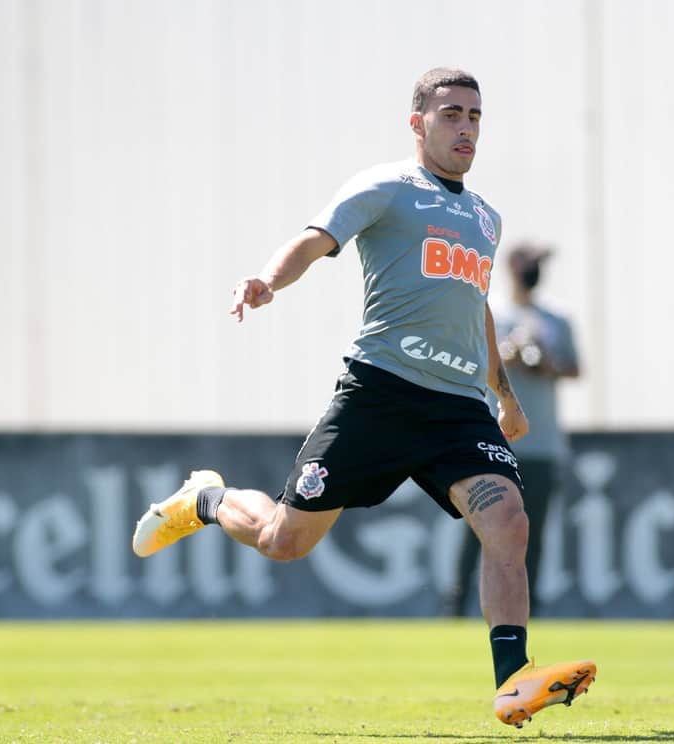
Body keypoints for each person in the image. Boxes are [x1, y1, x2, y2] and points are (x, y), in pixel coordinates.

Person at [131, 67, 595, 729]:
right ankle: (205, 499)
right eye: (451, 115)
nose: (466, 128)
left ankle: (512, 682)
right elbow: (316, 240)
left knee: (508, 523)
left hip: (457, 409)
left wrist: (504, 395)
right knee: (282, 541)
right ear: (419, 124)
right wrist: (266, 280)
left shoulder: (486, 218)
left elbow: (476, 312)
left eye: (475, 116)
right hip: (378, 394)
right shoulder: (385, 188)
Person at [446, 243, 580, 618]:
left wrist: (545, 364)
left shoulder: (556, 317)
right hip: (491, 439)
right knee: (478, 527)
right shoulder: (493, 312)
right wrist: (504, 357)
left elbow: (574, 368)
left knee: (531, 532)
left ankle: (527, 607)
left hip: (540, 444)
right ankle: (455, 607)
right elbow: (464, 360)